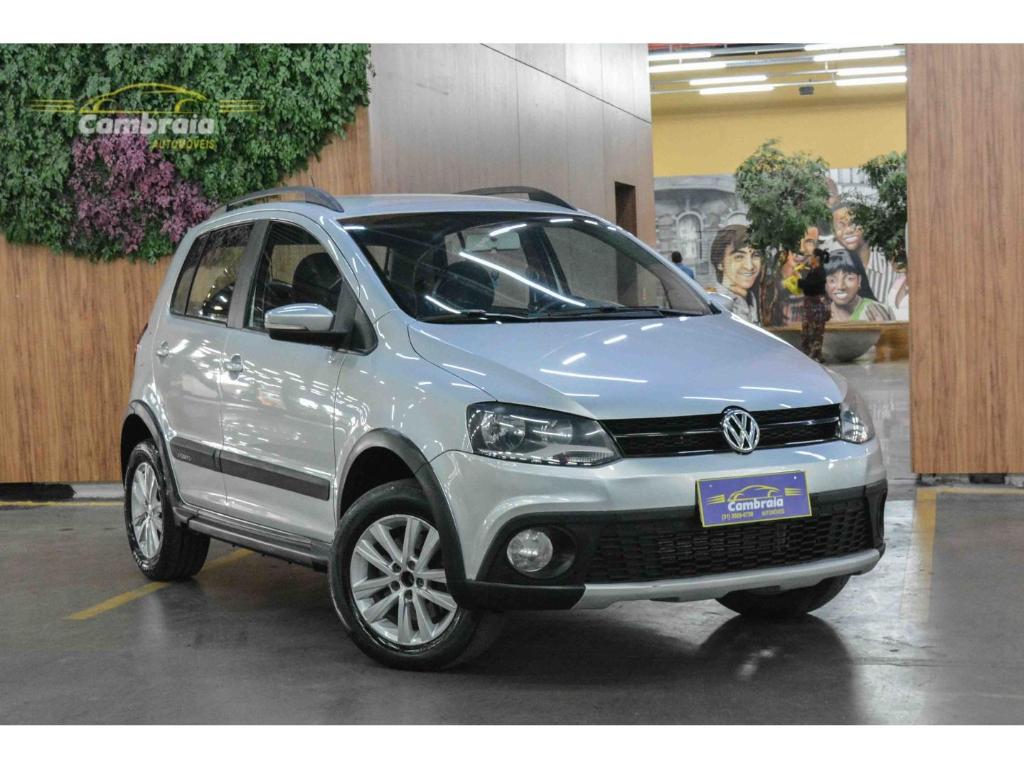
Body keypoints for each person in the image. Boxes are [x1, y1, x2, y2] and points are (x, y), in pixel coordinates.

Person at [710, 224, 763, 325]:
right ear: (720, 263)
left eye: (755, 255)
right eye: (739, 257)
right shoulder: (716, 301)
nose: (749, 266)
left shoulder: (750, 296)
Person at [825, 249, 894, 322]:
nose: (840, 286)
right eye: (832, 280)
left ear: (859, 280)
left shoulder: (877, 311)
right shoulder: (821, 314)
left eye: (849, 278)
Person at [796, 247, 830, 362]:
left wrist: (799, 280)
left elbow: (809, 285)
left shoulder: (820, 272)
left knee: (816, 331)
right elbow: (807, 286)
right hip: (810, 305)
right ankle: (810, 354)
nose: (809, 258)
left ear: (817, 258)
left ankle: (815, 355)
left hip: (817, 305)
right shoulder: (813, 271)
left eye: (811, 256)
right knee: (807, 330)